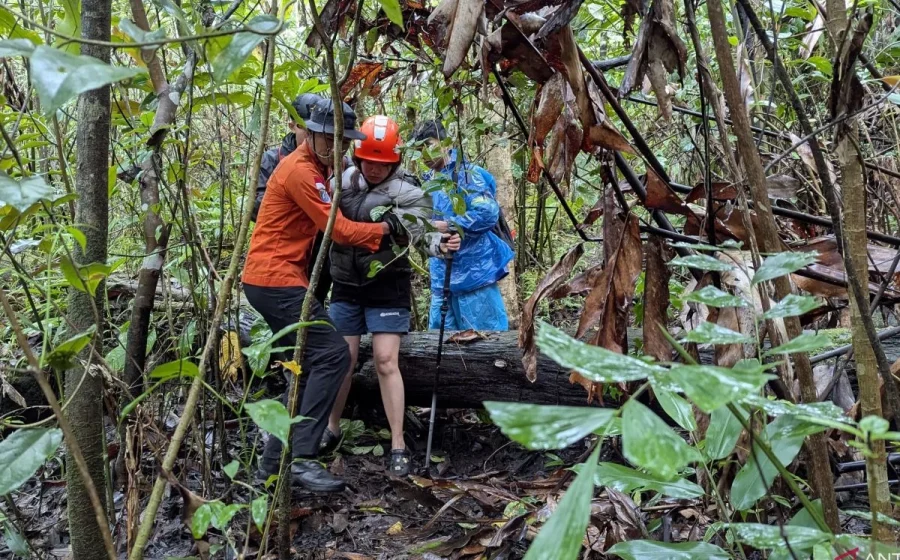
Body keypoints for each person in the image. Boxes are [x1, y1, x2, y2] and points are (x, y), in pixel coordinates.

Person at [242, 99, 407, 493]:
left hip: (281, 278)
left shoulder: (319, 168)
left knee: (311, 361)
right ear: (310, 134)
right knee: (332, 355)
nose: (335, 149)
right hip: (274, 279)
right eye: (327, 139)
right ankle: (300, 458)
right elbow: (339, 230)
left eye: (341, 141)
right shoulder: (300, 171)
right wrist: (387, 230)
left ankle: (272, 464)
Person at [319, 116, 461, 476]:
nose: (375, 169)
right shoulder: (341, 183)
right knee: (341, 359)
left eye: (383, 164)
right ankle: (331, 429)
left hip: (388, 286)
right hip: (345, 286)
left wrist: (442, 244)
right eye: (369, 161)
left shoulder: (410, 193)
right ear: (358, 156)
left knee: (385, 360)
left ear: (395, 161)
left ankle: (397, 443)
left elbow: (424, 234)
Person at [411, 119, 514, 331]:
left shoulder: (467, 174)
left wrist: (449, 225)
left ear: (445, 142)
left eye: (429, 146)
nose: (425, 156)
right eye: (419, 150)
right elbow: (421, 228)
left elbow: (487, 212)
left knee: (485, 343)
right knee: (442, 346)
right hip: (442, 280)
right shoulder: (428, 183)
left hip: (475, 278)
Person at [252, 92, 334, 304]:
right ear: (293, 126)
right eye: (306, 130)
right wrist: (300, 202)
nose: (311, 136)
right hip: (285, 251)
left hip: (321, 250)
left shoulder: (331, 158)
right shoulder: (272, 159)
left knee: (313, 305)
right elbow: (256, 205)